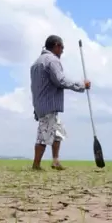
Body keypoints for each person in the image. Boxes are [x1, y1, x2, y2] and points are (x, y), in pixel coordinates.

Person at [29, 34, 91, 170]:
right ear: (56, 45)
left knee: (57, 133)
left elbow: (34, 88)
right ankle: (36, 165)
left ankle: (55, 160)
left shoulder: (36, 63)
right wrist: (81, 85)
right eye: (62, 47)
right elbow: (60, 80)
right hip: (48, 104)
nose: (62, 51)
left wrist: (35, 106)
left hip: (41, 104)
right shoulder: (52, 60)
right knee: (43, 135)